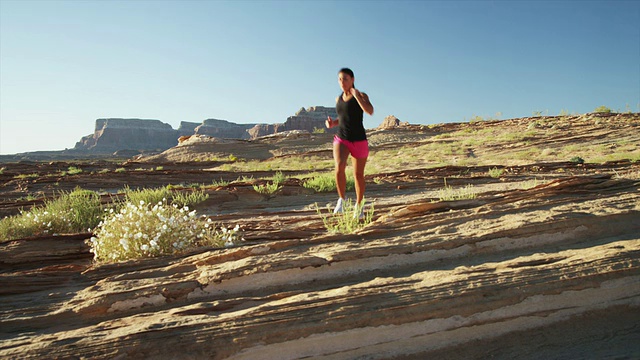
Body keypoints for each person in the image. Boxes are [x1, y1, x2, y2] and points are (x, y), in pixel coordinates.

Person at [325, 68, 374, 218]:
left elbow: (370, 111)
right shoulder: (337, 99)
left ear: (352, 79)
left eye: (345, 79)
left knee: (358, 175)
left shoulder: (361, 95)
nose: (342, 82)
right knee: (339, 167)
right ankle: (342, 200)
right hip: (342, 138)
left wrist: (356, 96)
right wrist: (333, 123)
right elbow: (344, 118)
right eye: (340, 79)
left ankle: (359, 207)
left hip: (359, 140)